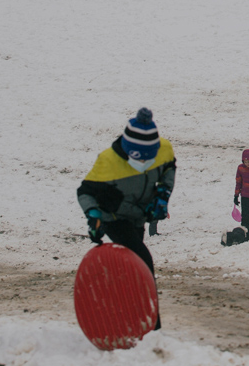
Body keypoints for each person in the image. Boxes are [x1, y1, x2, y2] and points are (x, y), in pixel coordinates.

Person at [77, 108, 174, 331]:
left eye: (151, 157)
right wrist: (93, 217)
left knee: (128, 269)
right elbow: (85, 191)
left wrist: (163, 195)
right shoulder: (108, 161)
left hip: (137, 218)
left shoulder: (164, 150)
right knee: (142, 259)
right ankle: (152, 328)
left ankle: (125, 318)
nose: (147, 163)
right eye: (142, 158)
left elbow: (169, 169)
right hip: (111, 216)